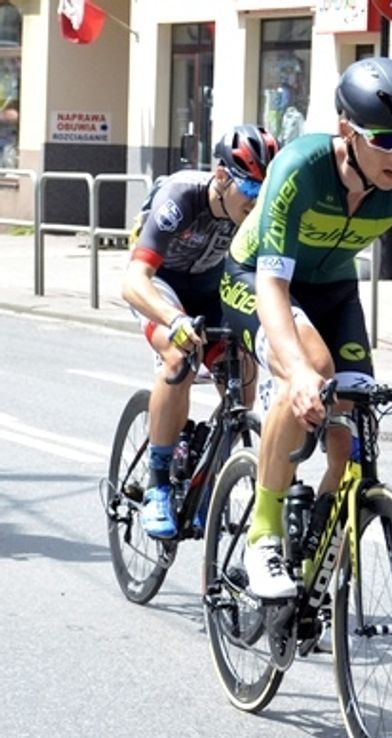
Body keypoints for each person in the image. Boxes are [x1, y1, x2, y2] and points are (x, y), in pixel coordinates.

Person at [220, 56, 392, 599]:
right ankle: (264, 536)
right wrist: (297, 372)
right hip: (258, 277)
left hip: (334, 289)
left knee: (352, 442)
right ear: (348, 131)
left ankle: (315, 561)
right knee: (313, 370)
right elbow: (273, 285)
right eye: (386, 139)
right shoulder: (299, 168)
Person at [122, 124, 279, 538]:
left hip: (211, 289)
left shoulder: (258, 215)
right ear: (223, 177)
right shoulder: (182, 198)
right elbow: (133, 280)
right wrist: (172, 321)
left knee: (243, 364)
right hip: (162, 284)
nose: (256, 201)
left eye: (264, 191)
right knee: (180, 356)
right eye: (250, 189)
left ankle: (212, 466)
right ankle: (158, 483)